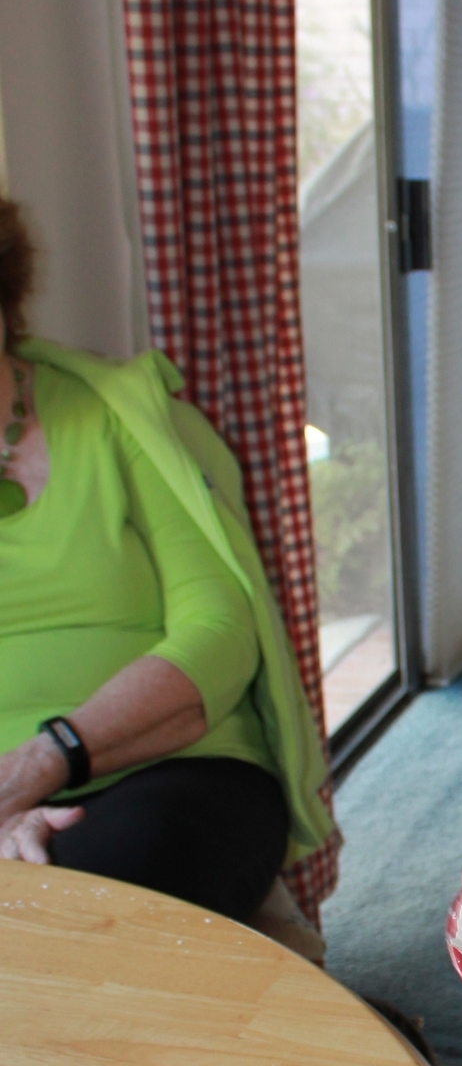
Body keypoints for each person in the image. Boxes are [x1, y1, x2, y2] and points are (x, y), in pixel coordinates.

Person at [0, 198, 334, 924]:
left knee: (110, 887)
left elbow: (220, 631)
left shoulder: (123, 416)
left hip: (173, 767)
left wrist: (41, 764)